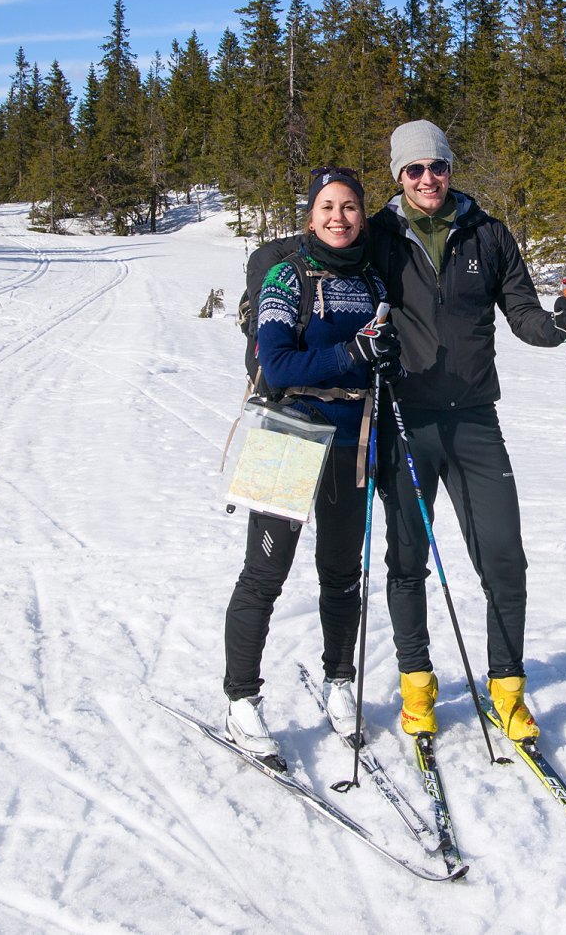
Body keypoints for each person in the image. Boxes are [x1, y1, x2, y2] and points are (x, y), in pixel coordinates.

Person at [368, 120, 566, 743]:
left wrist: (560, 325)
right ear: (399, 175)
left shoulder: (488, 233)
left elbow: (522, 314)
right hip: (405, 421)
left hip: (473, 421)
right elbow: (317, 253)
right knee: (407, 560)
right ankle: (417, 687)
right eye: (415, 169)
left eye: (437, 166)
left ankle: (507, 691)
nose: (428, 179)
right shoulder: (378, 236)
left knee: (504, 558)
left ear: (450, 168)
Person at [222, 167, 402, 760]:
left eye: (349, 207)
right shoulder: (286, 276)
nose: (339, 218)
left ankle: (339, 681)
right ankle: (241, 699)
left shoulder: (372, 280)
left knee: (342, 573)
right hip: (289, 433)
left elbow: (377, 359)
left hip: (354, 438)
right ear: (310, 215)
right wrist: (351, 351)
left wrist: (387, 358)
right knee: (264, 574)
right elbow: (277, 366)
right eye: (328, 206)